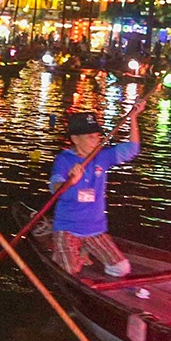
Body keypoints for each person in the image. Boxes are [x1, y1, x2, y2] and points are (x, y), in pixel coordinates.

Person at [48, 104, 143, 278]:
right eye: (90, 137)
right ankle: (69, 251)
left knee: (122, 268)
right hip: (68, 227)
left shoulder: (102, 156)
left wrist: (133, 118)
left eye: (98, 136)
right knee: (70, 271)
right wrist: (70, 182)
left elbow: (132, 149)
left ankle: (85, 248)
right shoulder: (64, 159)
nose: (96, 141)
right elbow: (55, 188)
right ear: (76, 139)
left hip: (94, 228)